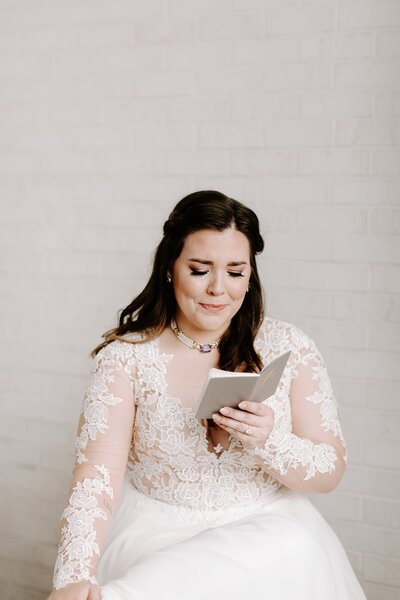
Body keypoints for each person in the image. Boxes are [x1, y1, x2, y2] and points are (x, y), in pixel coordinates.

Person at [47, 190, 366, 600]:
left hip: (269, 542)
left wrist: (269, 440)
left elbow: (330, 472)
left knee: (291, 547)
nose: (219, 289)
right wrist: (72, 575)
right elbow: (95, 478)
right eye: (200, 270)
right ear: (170, 269)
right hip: (158, 540)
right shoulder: (126, 359)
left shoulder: (289, 344)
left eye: (235, 272)